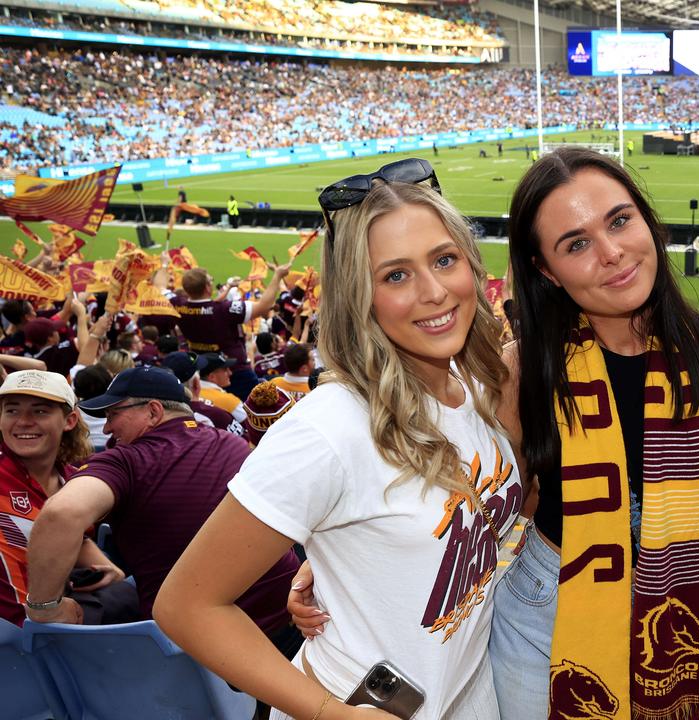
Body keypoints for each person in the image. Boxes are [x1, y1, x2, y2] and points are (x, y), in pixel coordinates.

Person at [154, 162, 520, 719]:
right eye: (396, 275)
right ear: (358, 295)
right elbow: (186, 606)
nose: (435, 290)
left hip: (468, 696)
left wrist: (337, 562)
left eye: (444, 259)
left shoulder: (471, 385)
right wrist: (334, 714)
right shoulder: (326, 428)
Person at [484, 148, 699, 718]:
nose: (612, 253)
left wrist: (666, 505)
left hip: (677, 606)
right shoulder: (520, 370)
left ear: (645, 218)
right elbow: (494, 499)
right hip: (545, 606)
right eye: (575, 244)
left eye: (619, 220)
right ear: (546, 270)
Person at [22, 366, 299, 654]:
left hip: (199, 656)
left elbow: (60, 515)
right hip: (287, 626)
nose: (106, 428)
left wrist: (45, 609)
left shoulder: (127, 461)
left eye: (113, 414)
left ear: (153, 411)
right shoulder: (234, 444)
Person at [0, 370, 104, 626]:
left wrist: (108, 571)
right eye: (11, 411)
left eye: (40, 411)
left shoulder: (74, 480)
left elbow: (77, 541)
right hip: (17, 640)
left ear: (69, 420)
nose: (23, 421)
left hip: (53, 631)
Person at [159, 261, 291, 400]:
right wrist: (277, 275)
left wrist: (164, 263)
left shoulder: (177, 305)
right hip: (235, 371)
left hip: (203, 370)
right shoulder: (223, 310)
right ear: (207, 288)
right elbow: (264, 305)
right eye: (211, 280)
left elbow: (159, 285)